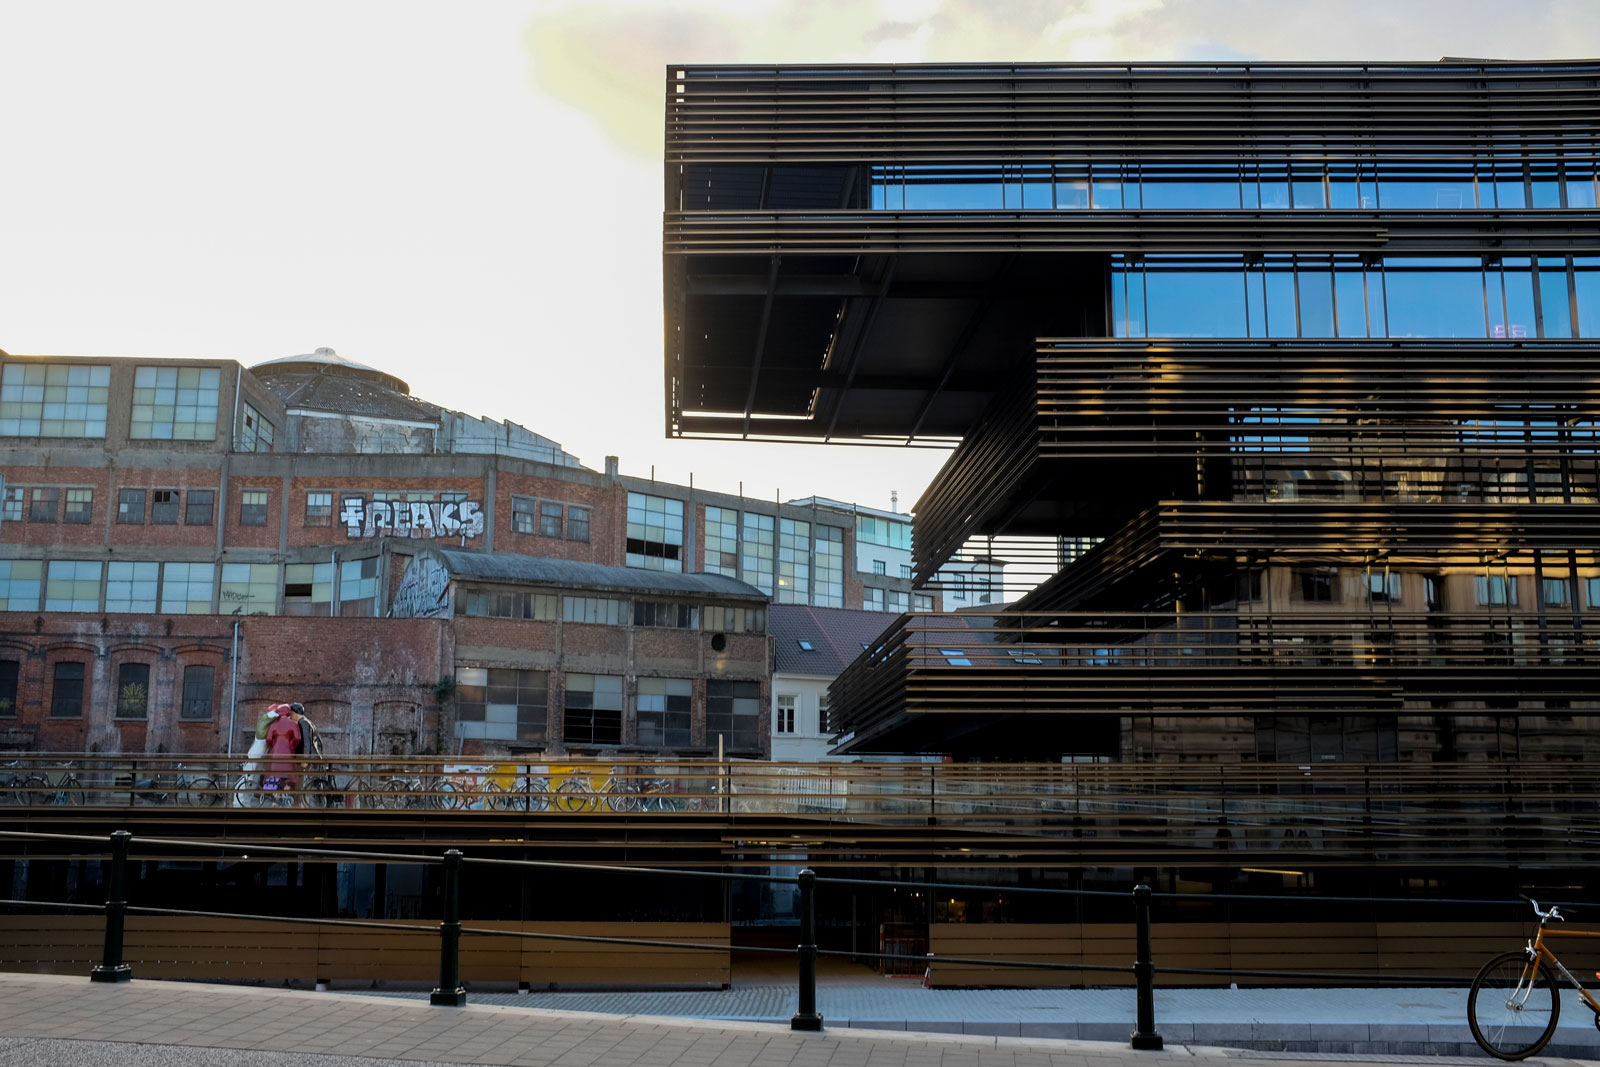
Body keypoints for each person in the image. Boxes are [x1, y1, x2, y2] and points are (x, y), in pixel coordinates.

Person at [263, 708, 303, 803]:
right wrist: (291, 745)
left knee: (275, 773)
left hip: (276, 751)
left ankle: (275, 798)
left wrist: (275, 744)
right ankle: (288, 795)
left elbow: (268, 739)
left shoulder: (273, 724)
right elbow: (297, 738)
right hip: (288, 751)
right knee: (288, 774)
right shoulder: (294, 723)